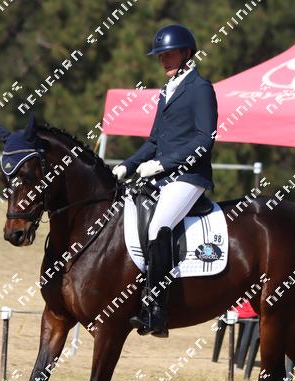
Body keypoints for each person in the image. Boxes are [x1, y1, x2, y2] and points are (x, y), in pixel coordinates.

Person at [112, 24, 218, 338]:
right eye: (160, 55)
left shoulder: (200, 88)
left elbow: (205, 139)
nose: (163, 60)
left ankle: (157, 310)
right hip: (163, 175)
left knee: (159, 227)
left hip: (189, 176)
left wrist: (163, 164)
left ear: (186, 53)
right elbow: (154, 141)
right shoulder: (167, 90)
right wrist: (127, 165)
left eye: (169, 54)